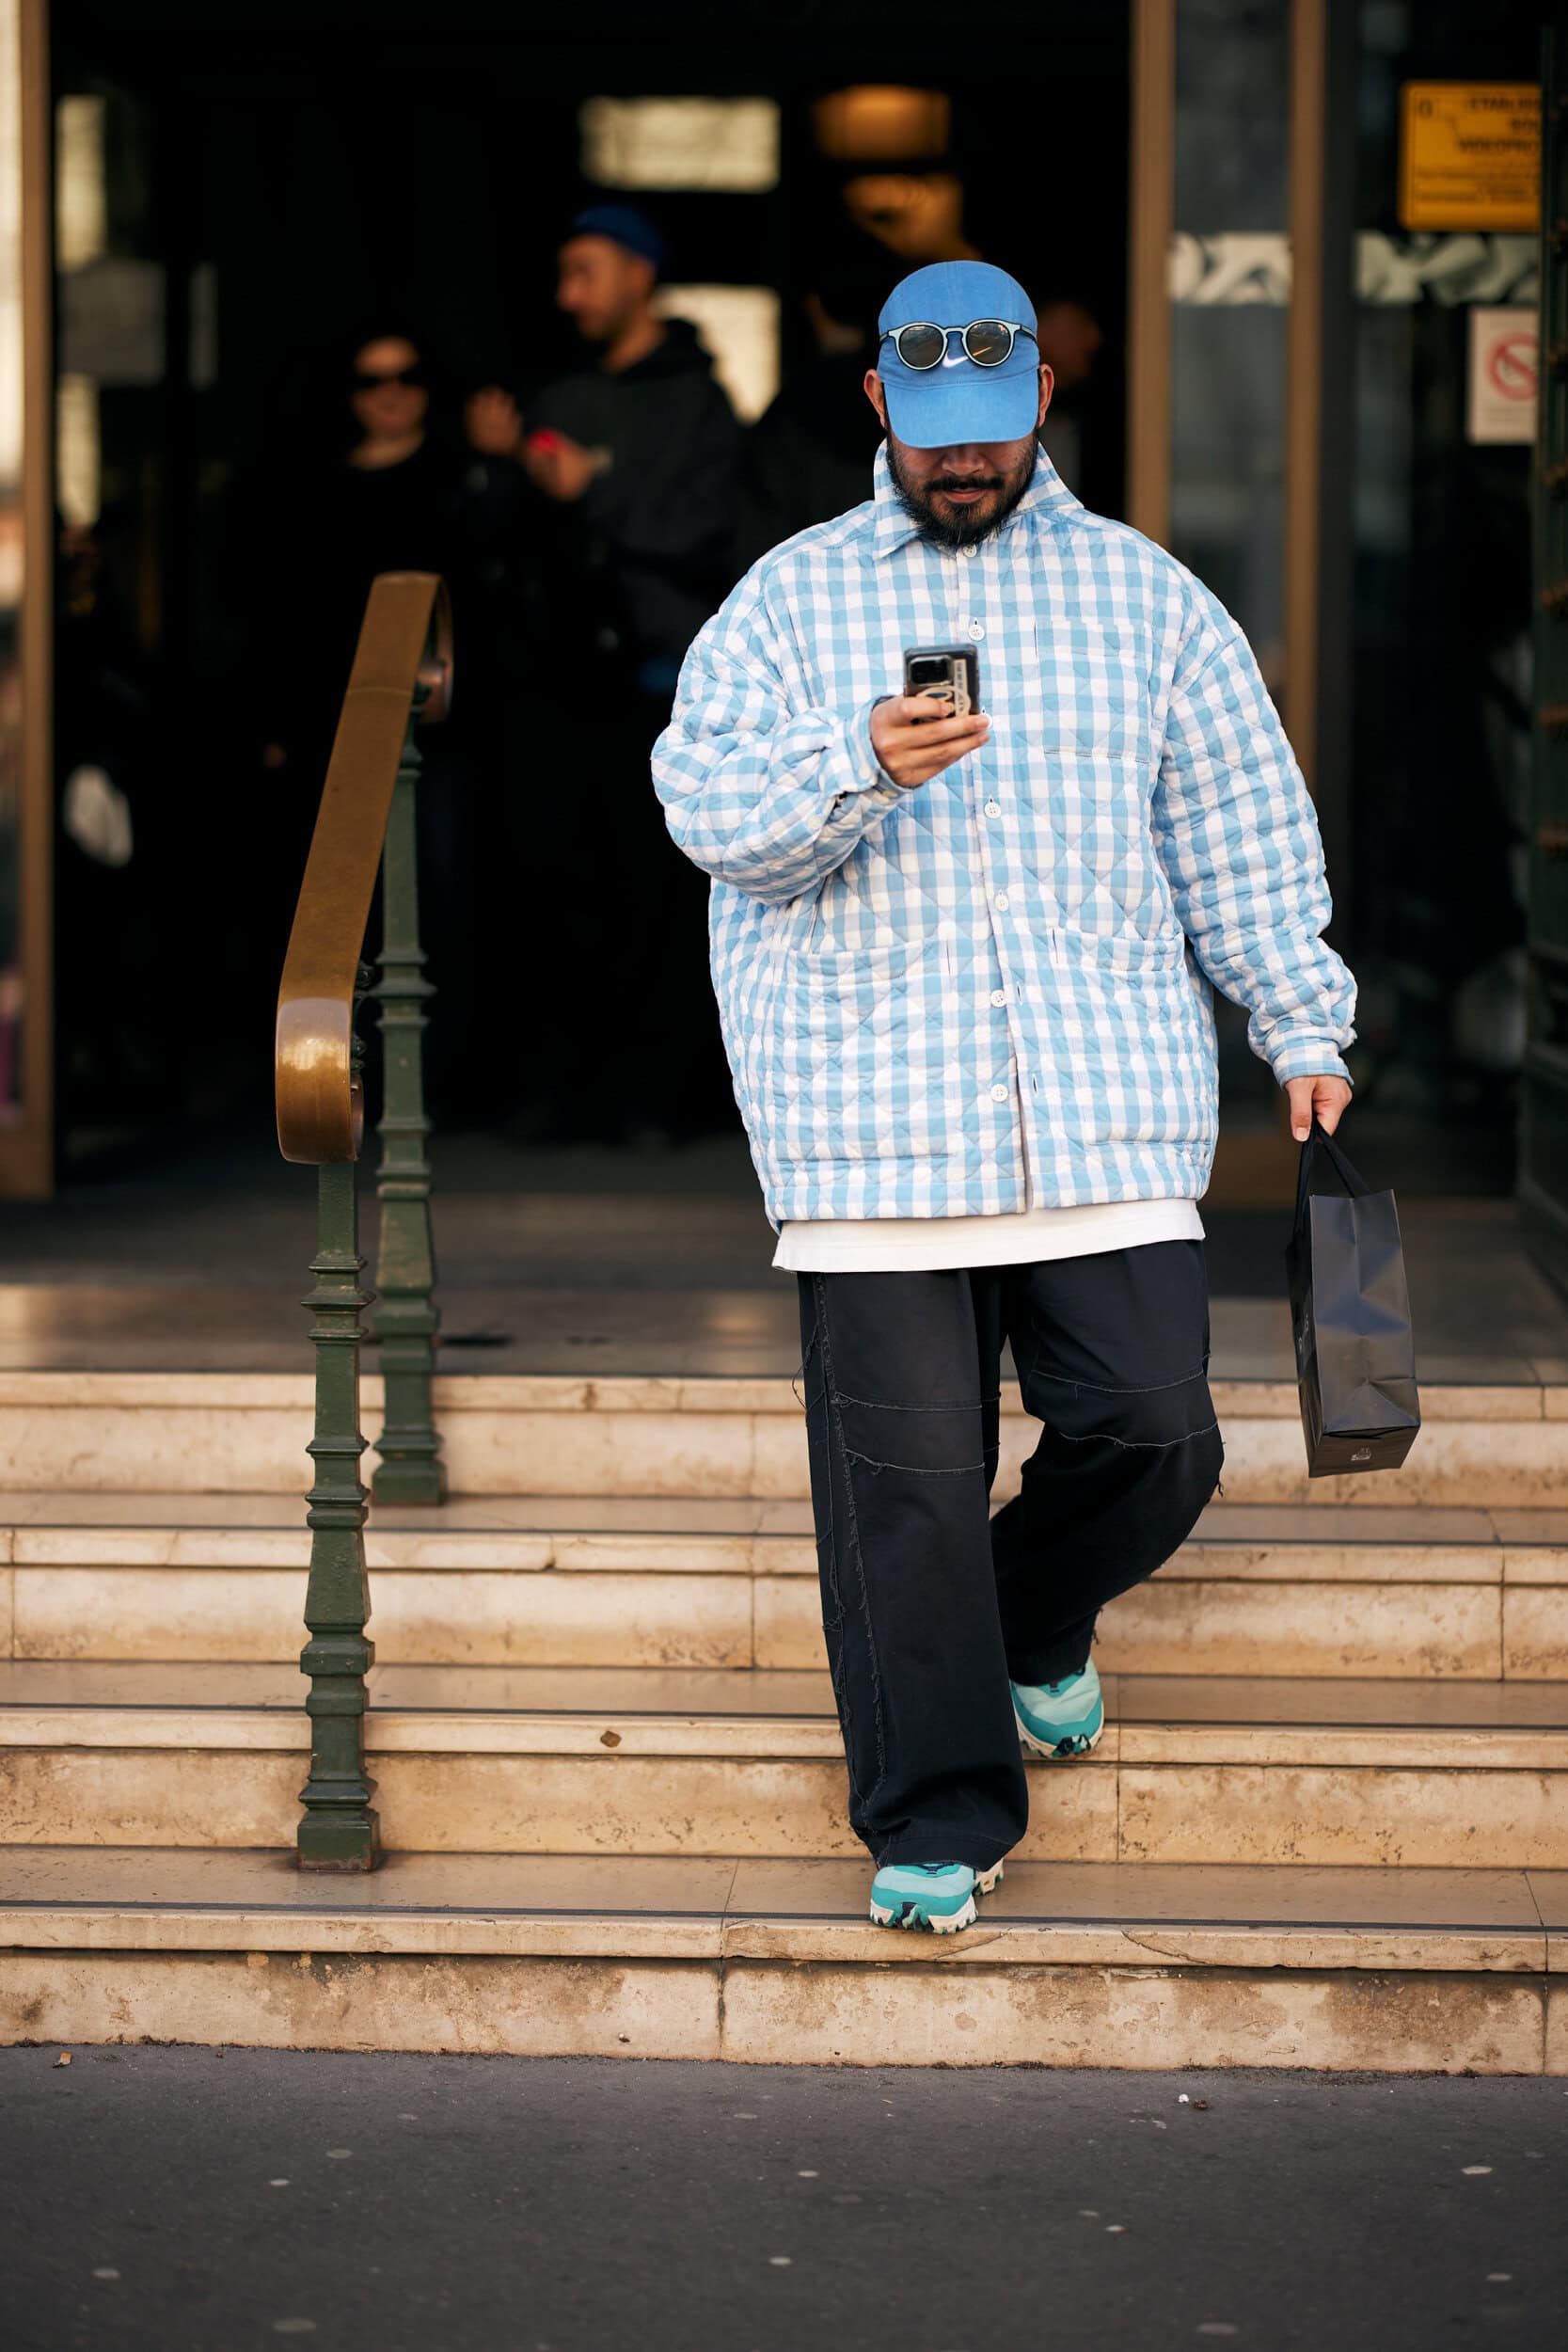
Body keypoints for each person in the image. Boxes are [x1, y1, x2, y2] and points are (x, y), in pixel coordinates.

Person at [653, 260, 1355, 1934]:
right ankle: (936, 1815)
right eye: (932, 437)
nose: (961, 467)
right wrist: (860, 763)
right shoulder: (782, 601)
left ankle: (1032, 1623)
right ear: (881, 408)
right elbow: (709, 815)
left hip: (1098, 1107)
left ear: (1040, 397)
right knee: (897, 1492)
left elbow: (1241, 836)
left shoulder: (1147, 600)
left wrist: (1302, 1025)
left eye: (992, 433)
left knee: (1155, 1432)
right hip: (866, 1119)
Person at [733, 249, 893, 574]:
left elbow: (754, 535)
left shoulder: (790, 411)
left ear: (813, 307)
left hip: (807, 595)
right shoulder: (913, 403)